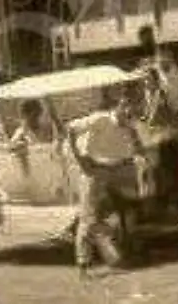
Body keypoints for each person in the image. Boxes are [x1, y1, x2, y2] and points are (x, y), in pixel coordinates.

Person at [64, 85, 151, 279]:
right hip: (96, 169)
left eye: (134, 107)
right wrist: (80, 160)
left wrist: (141, 157)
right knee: (88, 217)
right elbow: (70, 129)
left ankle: (125, 251)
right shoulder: (100, 119)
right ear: (120, 105)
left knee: (130, 208)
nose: (130, 111)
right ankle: (83, 265)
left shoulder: (131, 126)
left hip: (120, 168)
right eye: (127, 106)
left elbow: (139, 148)